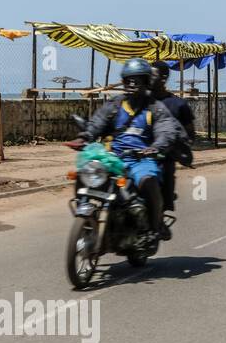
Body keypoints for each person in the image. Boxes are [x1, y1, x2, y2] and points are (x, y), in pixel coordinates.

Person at [75, 58, 183, 241]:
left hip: (141, 158)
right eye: (128, 79)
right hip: (112, 157)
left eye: (137, 79)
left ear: (146, 81)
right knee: (83, 173)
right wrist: (85, 136)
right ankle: (84, 211)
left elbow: (166, 130)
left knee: (149, 180)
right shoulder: (115, 105)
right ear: (123, 81)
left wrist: (155, 147)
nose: (132, 84)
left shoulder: (155, 109)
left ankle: (155, 225)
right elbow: (97, 122)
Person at [152, 62, 195, 217]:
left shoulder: (178, 105)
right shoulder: (140, 101)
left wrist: (175, 146)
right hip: (134, 152)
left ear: (163, 78)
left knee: (163, 171)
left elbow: (189, 134)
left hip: (160, 157)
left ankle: (158, 220)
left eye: (153, 75)